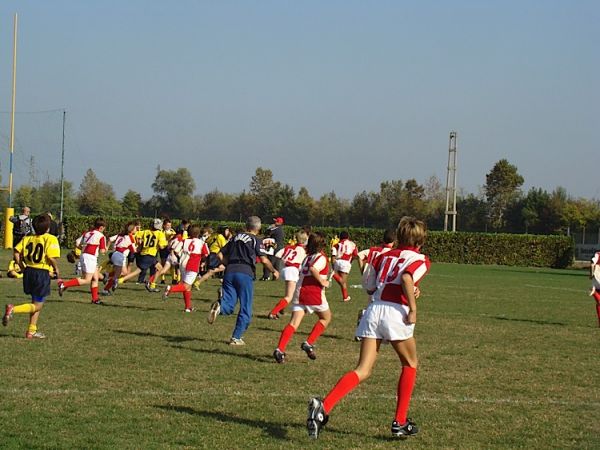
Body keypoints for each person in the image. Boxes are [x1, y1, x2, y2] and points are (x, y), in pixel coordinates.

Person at [306, 217, 430, 439]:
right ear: (420, 241)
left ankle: (323, 408)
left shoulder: (384, 256)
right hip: (395, 313)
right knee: (410, 364)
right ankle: (400, 422)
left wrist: (407, 290)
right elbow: (407, 277)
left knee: (363, 369)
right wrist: (413, 307)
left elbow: (370, 286)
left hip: (374, 310)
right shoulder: (420, 259)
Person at [207, 216, 279, 346]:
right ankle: (236, 337)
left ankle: (219, 306)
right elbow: (263, 259)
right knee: (246, 307)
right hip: (245, 273)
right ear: (258, 227)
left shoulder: (235, 237)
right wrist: (274, 270)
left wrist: (227, 263)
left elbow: (219, 255)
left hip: (229, 272)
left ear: (246, 225)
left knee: (229, 306)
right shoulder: (256, 239)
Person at [273, 232, 331, 363]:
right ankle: (309, 343)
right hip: (313, 293)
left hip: (300, 292)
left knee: (293, 323)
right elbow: (313, 269)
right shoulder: (320, 257)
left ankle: (280, 349)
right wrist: (323, 282)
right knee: (326, 318)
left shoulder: (307, 257)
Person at [3, 213, 60, 339]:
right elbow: (51, 257)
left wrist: (22, 266)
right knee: (38, 304)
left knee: (35, 302)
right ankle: (13, 309)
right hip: (41, 273)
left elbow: (16, 252)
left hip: (29, 272)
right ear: (48, 228)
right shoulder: (50, 238)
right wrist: (56, 268)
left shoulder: (28, 238)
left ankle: (31, 331)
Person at [58, 218, 107, 304]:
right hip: (90, 258)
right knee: (87, 279)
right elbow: (103, 251)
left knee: (95, 278)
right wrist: (106, 247)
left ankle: (95, 299)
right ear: (101, 227)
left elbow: (77, 243)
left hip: (84, 255)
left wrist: (84, 248)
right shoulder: (101, 236)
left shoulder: (87, 233)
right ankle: (64, 284)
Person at [163, 225, 210, 312]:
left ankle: (188, 307)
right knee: (187, 286)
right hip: (193, 265)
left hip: (183, 264)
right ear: (198, 233)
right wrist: (202, 259)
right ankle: (170, 289)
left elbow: (176, 250)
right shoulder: (202, 243)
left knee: (187, 287)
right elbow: (206, 254)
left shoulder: (184, 241)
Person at [268, 230, 309, 319]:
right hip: (293, 270)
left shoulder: (288, 247)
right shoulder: (303, 250)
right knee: (289, 296)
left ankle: (281, 308)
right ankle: (273, 312)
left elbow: (278, 255)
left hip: (285, 269)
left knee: (290, 294)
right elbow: (304, 263)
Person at [102, 221, 137, 295]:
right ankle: (107, 287)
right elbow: (134, 250)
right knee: (121, 274)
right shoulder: (130, 237)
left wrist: (107, 247)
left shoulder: (120, 235)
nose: (136, 229)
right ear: (131, 230)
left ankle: (108, 276)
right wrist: (140, 245)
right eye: (135, 228)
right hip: (120, 256)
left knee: (121, 273)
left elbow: (110, 239)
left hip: (115, 254)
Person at [330, 231, 358, 302]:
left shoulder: (336, 245)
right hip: (345, 262)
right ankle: (333, 274)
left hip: (337, 261)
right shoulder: (352, 244)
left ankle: (345, 297)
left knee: (342, 282)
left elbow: (333, 255)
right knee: (343, 281)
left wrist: (333, 265)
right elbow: (355, 254)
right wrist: (350, 261)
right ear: (348, 237)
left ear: (340, 237)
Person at [590, 250, 600, 327]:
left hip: (596, 281)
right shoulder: (598, 254)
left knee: (599, 303)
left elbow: (592, 265)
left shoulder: (597, 254)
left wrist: (591, 274)